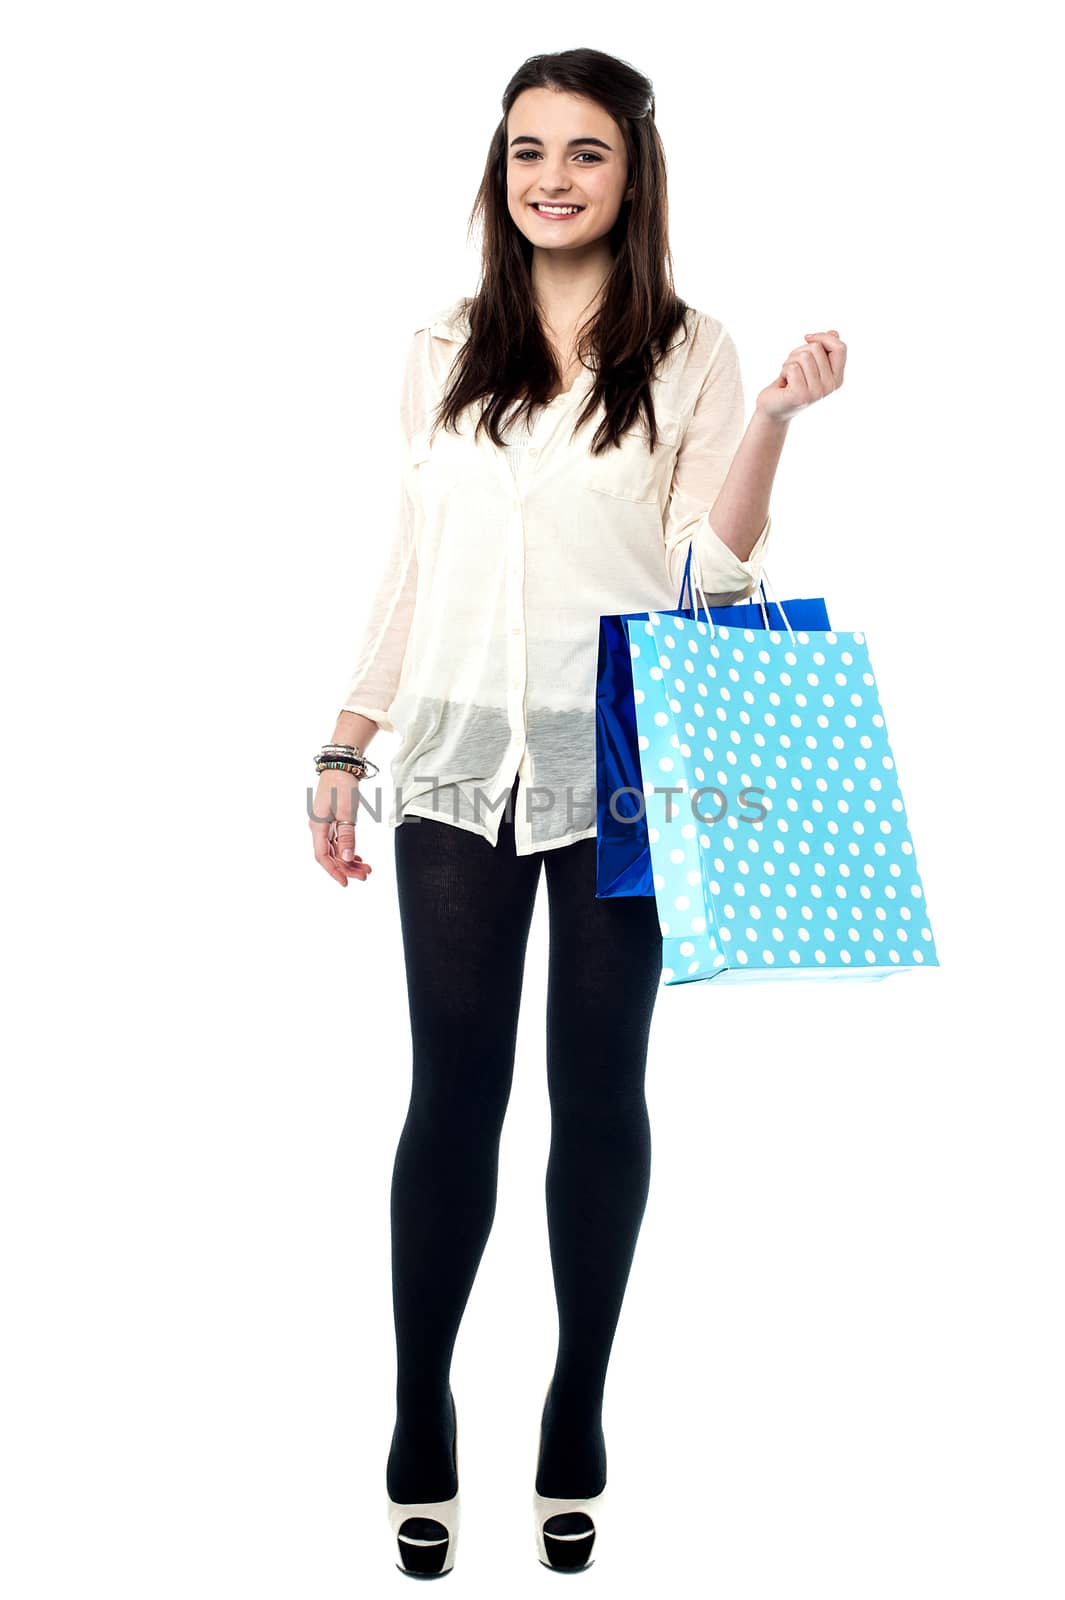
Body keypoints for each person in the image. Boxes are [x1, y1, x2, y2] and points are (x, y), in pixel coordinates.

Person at [308, 47, 845, 1577]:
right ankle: (421, 1413)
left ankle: (574, 1415)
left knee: (599, 1095)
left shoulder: (688, 348)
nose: (552, 176)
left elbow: (703, 576)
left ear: (634, 172)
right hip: (459, 761)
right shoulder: (434, 347)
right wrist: (344, 748)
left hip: (626, 754)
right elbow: (413, 565)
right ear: (500, 169)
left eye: (585, 153)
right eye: (528, 149)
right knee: (451, 1100)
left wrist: (776, 428)